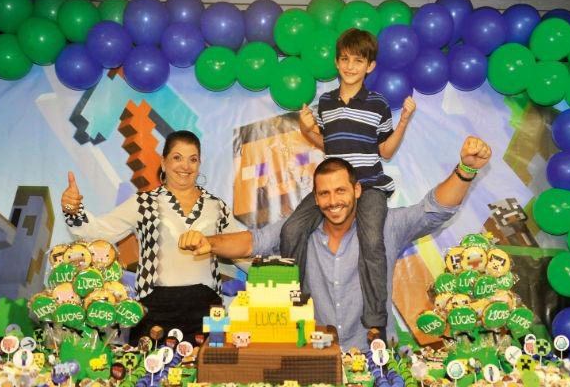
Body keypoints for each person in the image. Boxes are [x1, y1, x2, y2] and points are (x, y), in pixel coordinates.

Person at [180, 136, 492, 351]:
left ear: (357, 191)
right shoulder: (297, 231)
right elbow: (253, 241)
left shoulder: (385, 227)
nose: (333, 201)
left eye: (340, 191)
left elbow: (432, 210)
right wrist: (210, 242)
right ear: (315, 199)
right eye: (325, 194)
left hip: (375, 356)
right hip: (317, 356)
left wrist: (466, 170)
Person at [282, 28, 417, 332]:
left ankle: (375, 322)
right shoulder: (326, 102)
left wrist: (405, 120)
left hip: (368, 186)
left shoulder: (378, 103)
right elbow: (326, 144)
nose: (350, 66)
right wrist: (306, 129)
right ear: (336, 62)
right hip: (333, 190)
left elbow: (385, 150)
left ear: (370, 66)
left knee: (371, 241)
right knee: (291, 230)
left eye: (358, 60)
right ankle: (294, 304)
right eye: (344, 59)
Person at [61, 130, 232, 344]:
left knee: (205, 375)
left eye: (193, 159)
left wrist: (276, 270)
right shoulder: (143, 203)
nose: (185, 166)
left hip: (207, 315)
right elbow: (96, 232)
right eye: (177, 157)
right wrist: (73, 209)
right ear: (163, 162)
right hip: (154, 312)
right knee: (145, 376)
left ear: (199, 164)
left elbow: (243, 248)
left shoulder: (217, 206)